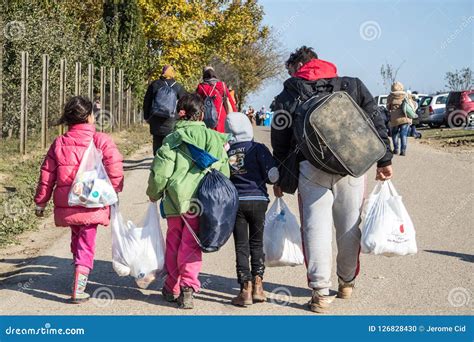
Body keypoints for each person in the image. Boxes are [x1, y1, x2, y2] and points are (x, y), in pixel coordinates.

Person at [271, 46, 393, 313]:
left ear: (298, 67)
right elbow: (376, 121)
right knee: (350, 226)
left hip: (310, 167)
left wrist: (279, 175)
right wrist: (384, 160)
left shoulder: (288, 93)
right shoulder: (351, 85)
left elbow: (280, 140)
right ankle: (346, 282)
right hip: (352, 166)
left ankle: (319, 292)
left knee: (315, 228)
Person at [34, 96, 124, 303]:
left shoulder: (59, 142)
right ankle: (78, 287)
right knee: (87, 243)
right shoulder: (101, 140)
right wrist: (115, 189)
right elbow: (115, 167)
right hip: (93, 202)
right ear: (90, 116)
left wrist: (41, 202)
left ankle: (78, 272)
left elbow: (46, 175)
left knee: (77, 238)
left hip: (70, 203)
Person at [146, 93, 230, 309]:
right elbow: (224, 173)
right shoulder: (214, 138)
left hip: (175, 203)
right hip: (202, 204)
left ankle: (171, 286)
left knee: (174, 243)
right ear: (201, 114)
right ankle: (188, 289)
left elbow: (161, 173)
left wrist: (154, 193)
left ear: (179, 114)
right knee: (191, 246)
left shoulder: (172, 140)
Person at [224, 112, 279, 307]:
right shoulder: (258, 148)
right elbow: (273, 176)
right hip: (258, 201)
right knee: (257, 243)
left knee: (241, 245)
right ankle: (259, 286)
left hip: (236, 203)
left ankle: (244, 289)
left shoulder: (226, 151)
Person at [143, 65, 187, 155]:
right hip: (171, 120)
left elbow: (147, 102)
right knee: (170, 143)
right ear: (173, 73)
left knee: (157, 141)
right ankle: (167, 162)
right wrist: (180, 117)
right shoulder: (178, 87)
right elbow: (185, 103)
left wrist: (147, 117)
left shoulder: (154, 84)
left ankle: (157, 160)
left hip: (155, 118)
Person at [196, 66, 237, 133]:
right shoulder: (222, 85)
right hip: (221, 117)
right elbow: (230, 102)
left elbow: (196, 103)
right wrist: (235, 115)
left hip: (207, 117)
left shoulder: (201, 87)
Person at [387, 82, 417, 156]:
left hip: (395, 119)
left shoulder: (390, 96)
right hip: (405, 117)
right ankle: (403, 150)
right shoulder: (406, 95)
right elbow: (412, 104)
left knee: (394, 133)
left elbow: (388, 107)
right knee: (403, 134)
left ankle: (396, 149)